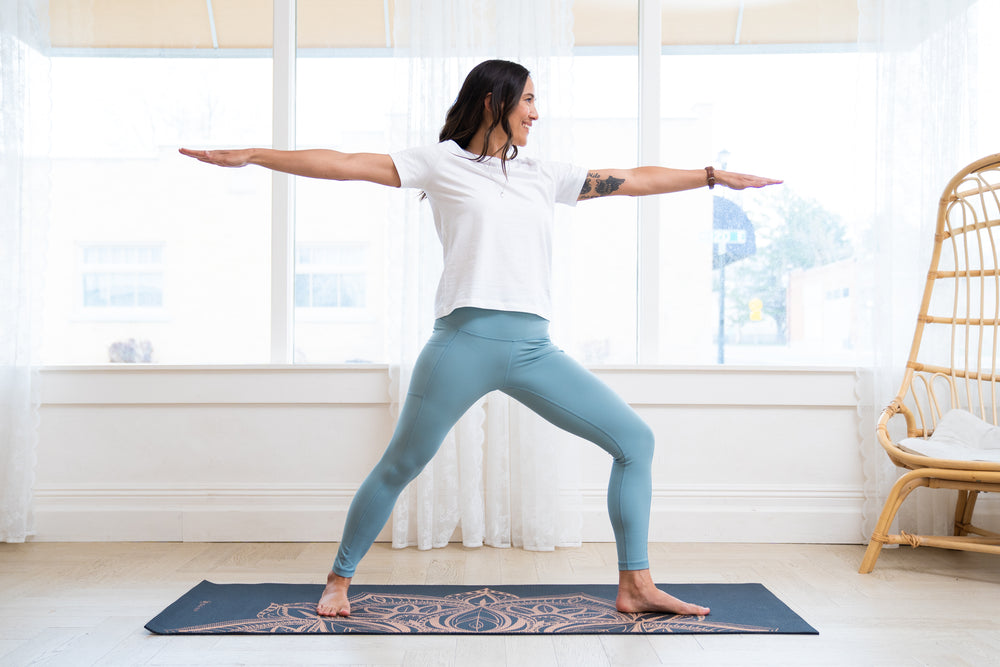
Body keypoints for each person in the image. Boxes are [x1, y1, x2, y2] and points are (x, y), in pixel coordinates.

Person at [180, 59, 781, 620]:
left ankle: (635, 584)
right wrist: (256, 155)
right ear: (495, 100)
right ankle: (338, 580)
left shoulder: (544, 175)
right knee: (401, 463)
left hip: (534, 349)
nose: (536, 114)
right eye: (528, 101)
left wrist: (709, 176)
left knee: (634, 440)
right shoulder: (439, 163)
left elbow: (634, 179)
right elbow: (343, 162)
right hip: (462, 344)